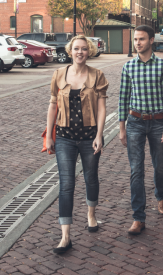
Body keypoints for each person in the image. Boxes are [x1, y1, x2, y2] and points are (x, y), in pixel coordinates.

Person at [45, 35, 108, 254]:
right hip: (64, 137)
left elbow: (101, 107)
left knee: (91, 177)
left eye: (83, 49)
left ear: (89, 51)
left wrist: (100, 135)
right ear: (70, 51)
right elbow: (53, 105)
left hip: (90, 136)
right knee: (66, 184)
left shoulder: (97, 75)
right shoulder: (58, 75)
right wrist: (49, 136)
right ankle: (65, 236)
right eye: (76, 49)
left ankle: (91, 215)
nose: (79, 52)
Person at [118, 25, 163, 236]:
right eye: (135, 40)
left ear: (151, 40)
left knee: (159, 166)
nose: (137, 43)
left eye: (141, 39)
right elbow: (123, 97)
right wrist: (121, 127)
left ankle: (160, 195)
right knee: (136, 170)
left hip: (159, 122)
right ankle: (138, 217)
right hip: (135, 122)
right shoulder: (128, 67)